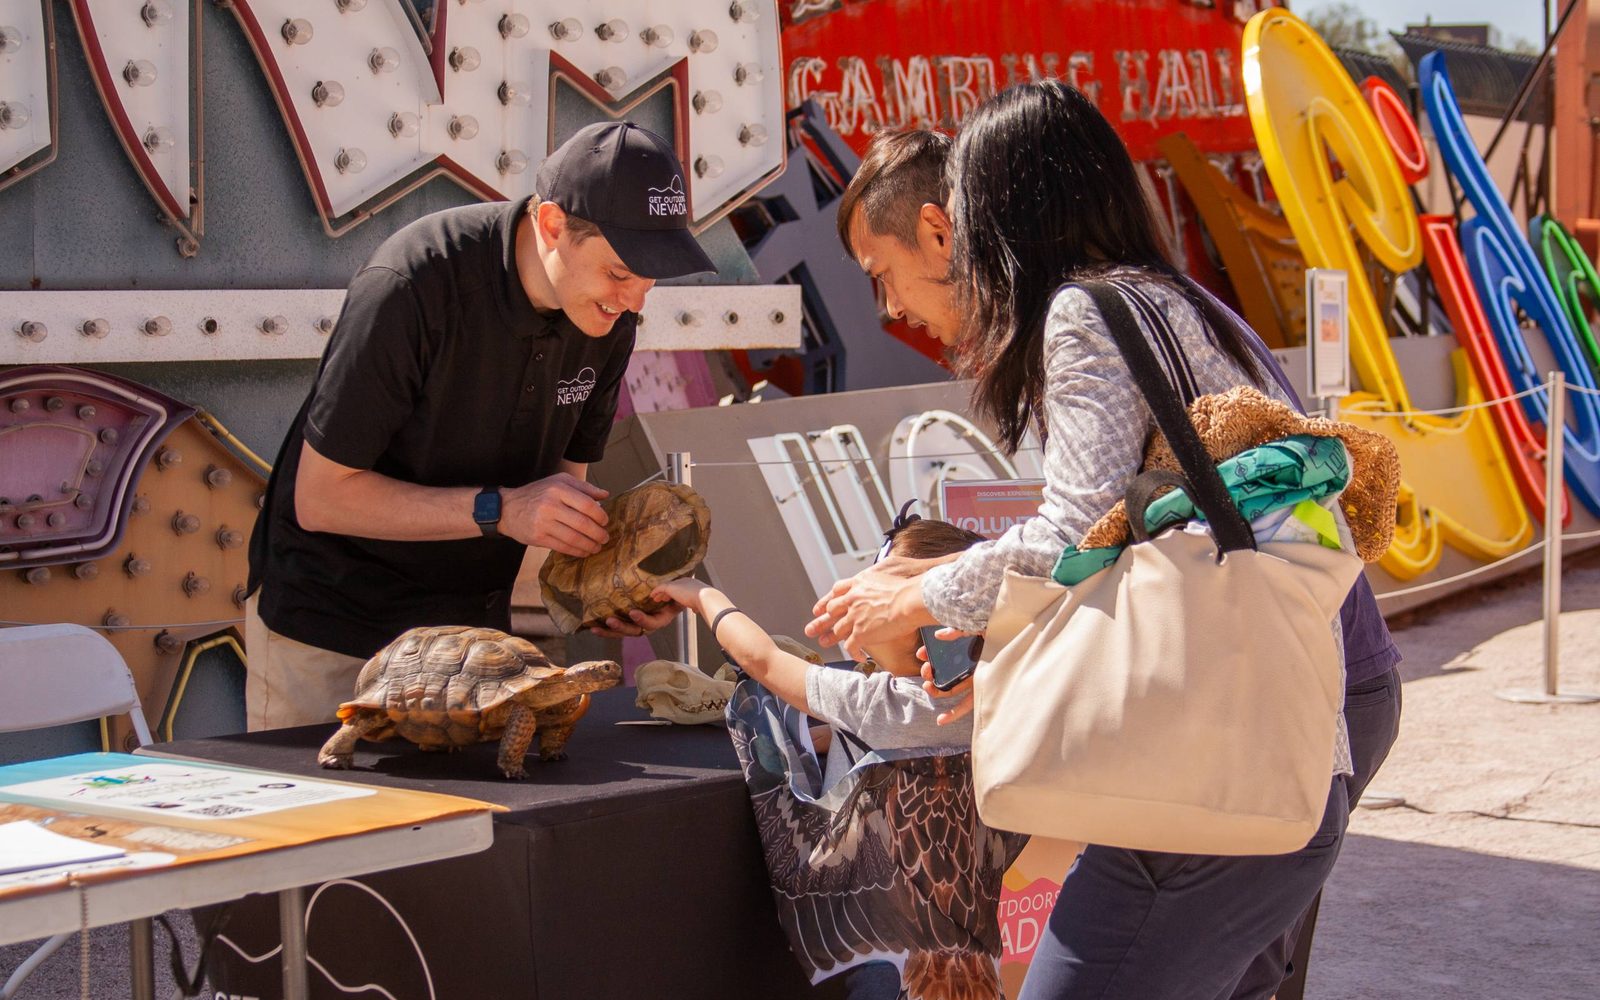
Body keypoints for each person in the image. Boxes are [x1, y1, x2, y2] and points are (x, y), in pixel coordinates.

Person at [810, 87, 1402, 998]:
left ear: (1007, 209)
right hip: (1276, 738)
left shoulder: (1084, 314)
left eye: (970, 209)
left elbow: (1066, 535)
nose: (960, 243)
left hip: (1204, 770)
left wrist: (916, 595)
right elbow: (1132, 539)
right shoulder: (1172, 300)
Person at [245, 121, 715, 731]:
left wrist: (610, 589)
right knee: (325, 825)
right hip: (333, 634)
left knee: (467, 828)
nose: (635, 301)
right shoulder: (413, 284)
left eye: (653, 277)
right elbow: (320, 499)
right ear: (551, 226)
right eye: (622, 272)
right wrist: (500, 510)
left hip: (474, 650)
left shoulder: (606, 317)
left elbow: (554, 499)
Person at [652, 515, 1012, 1000]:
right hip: (977, 962)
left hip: (889, 963)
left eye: (877, 597)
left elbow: (761, 659)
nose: (858, 606)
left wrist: (700, 595)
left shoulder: (884, 703)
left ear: (918, 618)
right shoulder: (1000, 695)